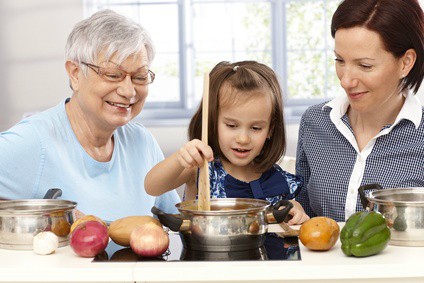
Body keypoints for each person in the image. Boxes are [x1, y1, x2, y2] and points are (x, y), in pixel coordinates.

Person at [0, 10, 180, 221]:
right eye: (113, 75)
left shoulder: (143, 142)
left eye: (140, 77)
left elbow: (177, 221)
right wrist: (44, 221)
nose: (129, 91)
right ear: (75, 74)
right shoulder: (34, 141)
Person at [296, 0, 424, 222]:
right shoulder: (313, 122)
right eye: (340, 60)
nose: (346, 81)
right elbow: (303, 215)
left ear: (406, 62)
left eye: (365, 66)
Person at [145, 61, 309, 225]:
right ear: (212, 123)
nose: (243, 139)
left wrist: (295, 210)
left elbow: (286, 217)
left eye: (256, 128)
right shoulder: (200, 168)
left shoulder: (276, 177)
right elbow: (152, 186)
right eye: (231, 126)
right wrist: (180, 158)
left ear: (270, 130)